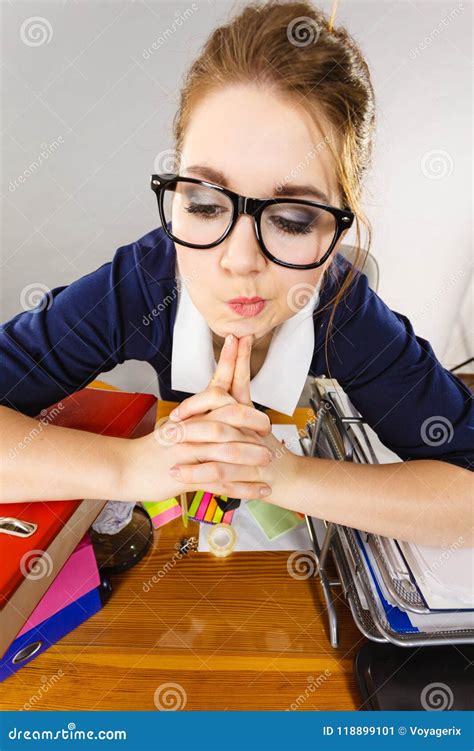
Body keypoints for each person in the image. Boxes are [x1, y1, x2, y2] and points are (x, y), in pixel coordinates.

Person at [1, 1, 472, 550]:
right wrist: (134, 467)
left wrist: (282, 475)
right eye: (204, 205)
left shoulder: (343, 309)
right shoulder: (145, 280)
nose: (239, 260)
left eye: (293, 220)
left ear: (338, 234)